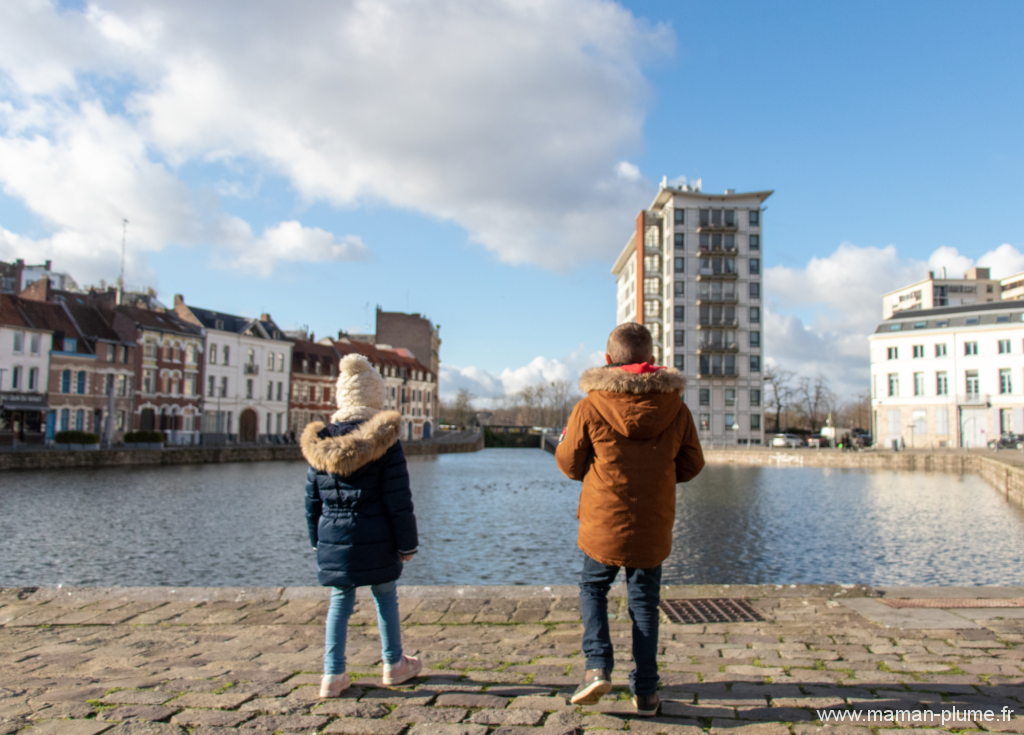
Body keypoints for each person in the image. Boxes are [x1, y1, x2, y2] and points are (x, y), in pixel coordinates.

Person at [556, 323, 704, 716]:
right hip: (652, 524)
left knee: (593, 589)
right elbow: (692, 464)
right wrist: (660, 475)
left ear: (608, 361)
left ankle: (597, 667)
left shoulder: (590, 405)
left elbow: (570, 465)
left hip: (603, 522)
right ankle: (647, 692)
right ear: (651, 361)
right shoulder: (677, 407)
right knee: (644, 605)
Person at [301, 353, 421, 697]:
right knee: (385, 596)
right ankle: (394, 664)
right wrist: (407, 545)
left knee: (340, 601)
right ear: (374, 397)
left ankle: (332, 674)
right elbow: (399, 501)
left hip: (333, 538)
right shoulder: (385, 443)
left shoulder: (320, 444)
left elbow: (312, 501)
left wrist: (316, 541)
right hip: (378, 537)